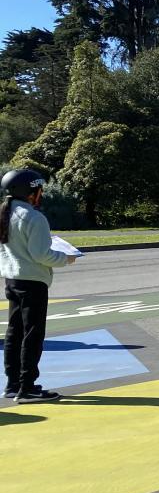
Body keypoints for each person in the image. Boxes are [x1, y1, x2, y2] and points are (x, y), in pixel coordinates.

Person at [1, 169, 76, 403]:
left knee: (14, 332)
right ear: (31, 191)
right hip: (33, 280)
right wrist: (66, 258)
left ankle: (13, 384)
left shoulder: (5, 212)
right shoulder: (33, 217)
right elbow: (41, 254)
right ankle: (28, 387)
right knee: (33, 334)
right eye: (39, 189)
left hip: (11, 279)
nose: (41, 193)